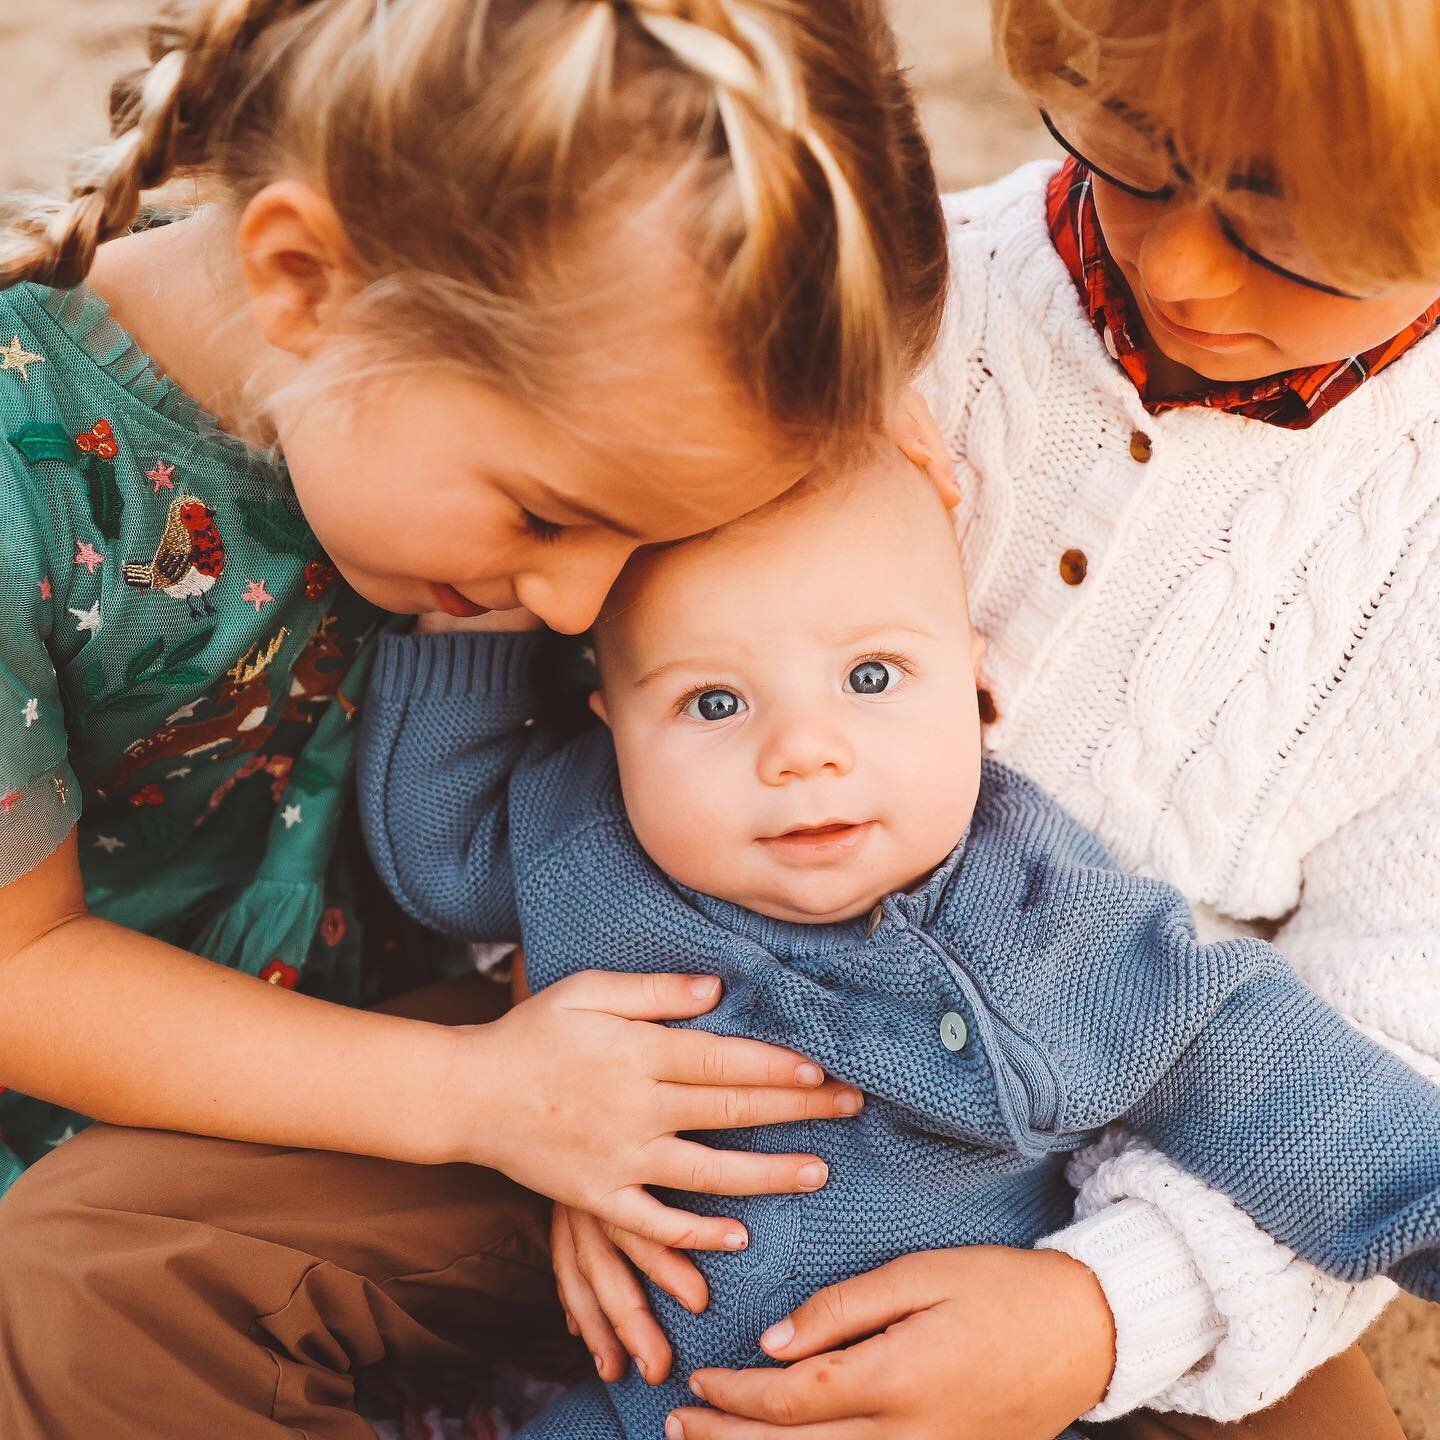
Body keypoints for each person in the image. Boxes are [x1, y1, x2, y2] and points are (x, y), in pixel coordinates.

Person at [0, 1, 954, 1434]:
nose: (577, 606)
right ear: (305, 284)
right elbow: (20, 970)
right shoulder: (28, 484)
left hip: (486, 1079)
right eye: (553, 518)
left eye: (638, 541)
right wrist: (475, 1096)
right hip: (154, 1135)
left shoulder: (556, 401)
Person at [549, 1, 1440, 1434]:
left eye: (1279, 226)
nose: (1182, 264)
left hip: (1127, 1204)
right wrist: (555, 1095)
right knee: (149, 1242)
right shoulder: (884, 304)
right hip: (665, 1125)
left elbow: (1385, 1070)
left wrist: (1099, 1319)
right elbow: (568, 702)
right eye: (1135, 156)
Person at [356, 445, 1440, 1440]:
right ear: (613, 720)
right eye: (715, 701)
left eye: (871, 678)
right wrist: (478, 630)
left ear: (974, 687)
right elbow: (441, 856)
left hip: (937, 1400)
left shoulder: (1033, 914)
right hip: (651, 1406)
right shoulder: (587, 830)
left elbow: (1267, 1072)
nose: (803, 752)